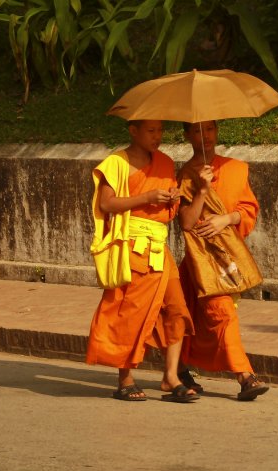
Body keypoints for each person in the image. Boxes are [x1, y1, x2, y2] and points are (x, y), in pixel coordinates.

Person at [86, 119, 199, 403]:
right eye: (151, 131)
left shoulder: (164, 161)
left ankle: (170, 376)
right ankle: (125, 378)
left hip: (160, 247)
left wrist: (172, 199)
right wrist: (146, 196)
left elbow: (170, 214)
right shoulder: (117, 163)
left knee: (176, 308)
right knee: (130, 312)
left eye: (160, 130)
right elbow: (107, 204)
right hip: (133, 246)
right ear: (133, 131)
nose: (157, 136)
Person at [176, 120, 270, 401]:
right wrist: (203, 190)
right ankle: (245, 376)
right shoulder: (187, 175)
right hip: (200, 260)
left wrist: (225, 219)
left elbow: (248, 210)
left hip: (227, 257)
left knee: (196, 320)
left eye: (210, 129)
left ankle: (179, 368)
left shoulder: (235, 168)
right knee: (221, 314)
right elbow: (186, 222)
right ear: (186, 136)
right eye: (196, 130)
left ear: (217, 132)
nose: (204, 136)